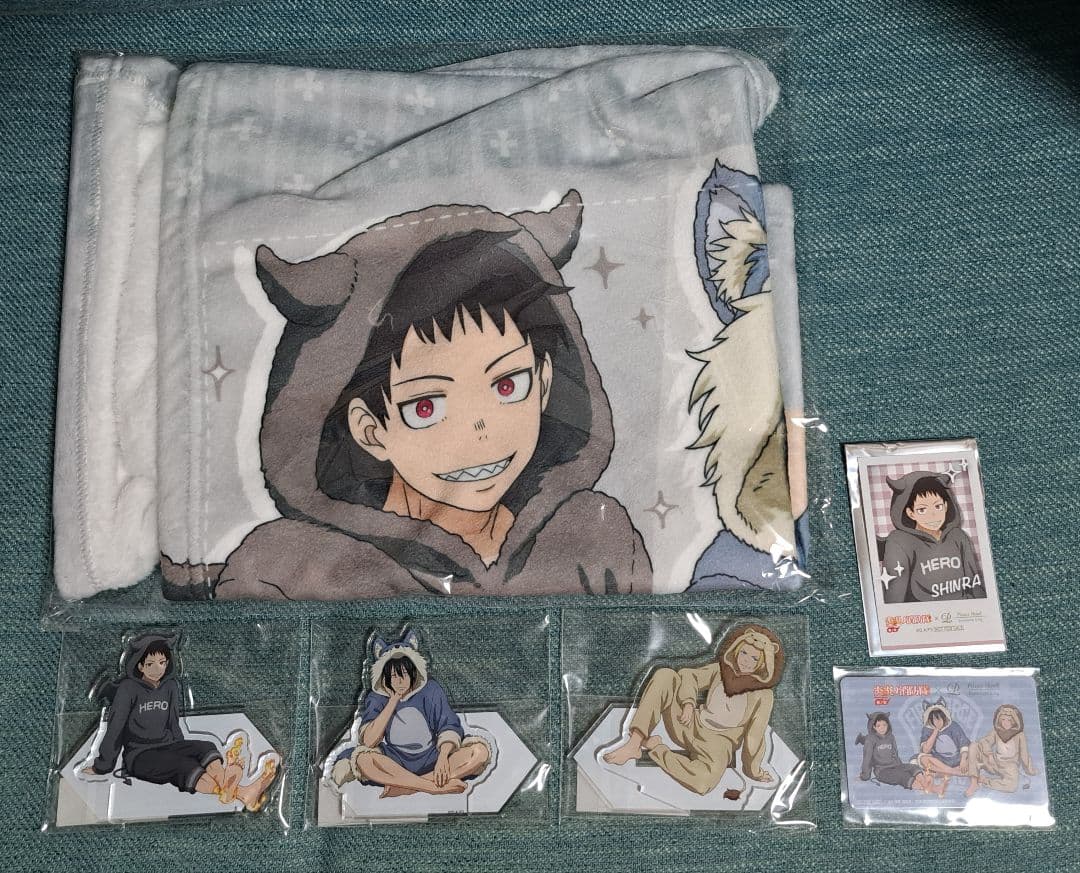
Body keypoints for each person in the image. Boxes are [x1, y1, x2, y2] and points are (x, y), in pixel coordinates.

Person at [212, 191, 651, 599]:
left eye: (507, 386)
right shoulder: (285, 568)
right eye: (427, 407)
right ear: (369, 429)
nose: (481, 431)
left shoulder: (594, 539)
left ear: (544, 382)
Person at [81, 633, 277, 811]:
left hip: (168, 745)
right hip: (140, 757)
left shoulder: (170, 687)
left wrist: (184, 748)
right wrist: (103, 766)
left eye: (162, 662)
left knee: (205, 747)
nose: (157, 669)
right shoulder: (127, 689)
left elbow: (173, 723)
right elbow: (115, 729)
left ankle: (234, 788)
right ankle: (236, 790)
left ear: (168, 663)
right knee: (183, 766)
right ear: (140, 666)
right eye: (150, 664)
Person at [602, 624, 784, 795]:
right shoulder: (720, 670)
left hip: (717, 745)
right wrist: (688, 703)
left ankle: (656, 748)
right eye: (744, 652)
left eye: (754, 658)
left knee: (703, 782)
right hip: (688, 722)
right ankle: (633, 744)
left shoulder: (763, 695)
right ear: (736, 650)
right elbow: (688, 675)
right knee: (666, 675)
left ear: (763, 664)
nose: (746, 660)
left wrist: (753, 770)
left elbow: (755, 735)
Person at [330, 631, 490, 798]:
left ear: (414, 672)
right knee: (363, 760)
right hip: (394, 760)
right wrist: (393, 700)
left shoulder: (430, 690)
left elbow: (448, 725)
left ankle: (405, 787)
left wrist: (443, 757)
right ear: (385, 677)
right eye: (394, 676)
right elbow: (369, 741)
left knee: (479, 751)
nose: (400, 681)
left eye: (405, 674)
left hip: (431, 756)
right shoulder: (376, 698)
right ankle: (433, 787)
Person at [880, 472, 985, 603]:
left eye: (938, 506)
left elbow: (975, 583)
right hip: (923, 611)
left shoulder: (958, 536)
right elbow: (894, 594)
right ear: (910, 513)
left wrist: (983, 609)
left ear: (946, 506)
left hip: (962, 607)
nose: (933, 515)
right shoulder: (900, 541)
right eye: (922, 510)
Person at [965, 704, 1037, 797]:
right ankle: (974, 782)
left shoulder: (1020, 735)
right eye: (1003, 719)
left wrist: (1029, 770)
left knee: (1011, 786)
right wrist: (989, 754)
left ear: (1014, 721)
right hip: (994, 762)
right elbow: (984, 741)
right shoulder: (996, 731)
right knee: (974, 746)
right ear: (999, 720)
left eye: (1009, 720)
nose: (1005, 723)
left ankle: (984, 780)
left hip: (1009, 767)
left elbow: (1024, 754)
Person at [855, 712, 933, 793]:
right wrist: (865, 776)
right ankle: (924, 787)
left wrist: (901, 767)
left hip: (895, 766)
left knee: (913, 767)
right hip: (882, 771)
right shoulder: (870, 740)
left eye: (884, 725)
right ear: (874, 727)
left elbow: (895, 753)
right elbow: (867, 759)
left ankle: (924, 783)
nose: (882, 728)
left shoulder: (891, 737)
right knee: (903, 776)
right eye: (878, 726)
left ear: (888, 725)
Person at [916, 698, 972, 795]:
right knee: (922, 759)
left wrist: (963, 760)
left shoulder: (953, 725)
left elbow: (963, 742)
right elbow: (925, 750)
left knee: (973, 754)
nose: (937, 721)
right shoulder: (927, 729)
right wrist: (935, 731)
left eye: (939, 718)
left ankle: (947, 772)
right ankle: (953, 772)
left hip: (958, 759)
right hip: (941, 761)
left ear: (944, 717)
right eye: (934, 719)